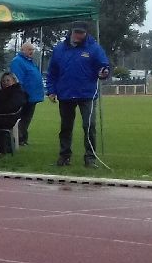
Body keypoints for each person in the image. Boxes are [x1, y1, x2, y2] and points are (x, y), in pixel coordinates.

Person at [47, 21, 110, 167]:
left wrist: (104, 72)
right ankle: (64, 156)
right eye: (76, 32)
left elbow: (103, 66)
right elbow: (52, 72)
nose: (78, 35)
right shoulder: (59, 49)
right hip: (65, 93)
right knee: (66, 127)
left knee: (89, 125)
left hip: (87, 94)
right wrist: (51, 90)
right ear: (71, 31)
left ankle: (90, 158)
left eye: (81, 33)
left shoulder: (94, 48)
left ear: (86, 33)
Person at [9, 41, 45, 147]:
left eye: (33, 50)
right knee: (22, 118)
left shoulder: (30, 62)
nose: (32, 52)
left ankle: (23, 138)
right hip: (24, 96)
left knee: (27, 119)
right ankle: (19, 139)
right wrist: (22, 94)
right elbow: (18, 79)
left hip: (32, 97)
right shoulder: (17, 61)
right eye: (29, 49)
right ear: (22, 50)